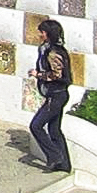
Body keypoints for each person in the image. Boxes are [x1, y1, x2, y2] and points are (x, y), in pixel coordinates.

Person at [30, 18, 73, 172]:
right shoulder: (48, 49)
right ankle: (64, 165)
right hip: (56, 95)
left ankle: (55, 156)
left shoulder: (53, 52)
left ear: (46, 34)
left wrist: (39, 74)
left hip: (56, 95)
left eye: (41, 32)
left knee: (36, 126)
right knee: (54, 130)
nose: (39, 35)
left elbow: (58, 75)